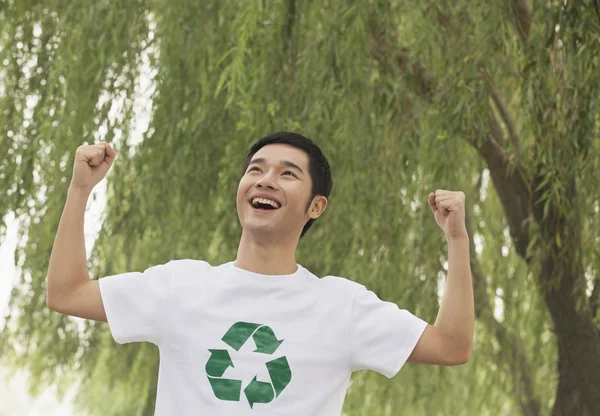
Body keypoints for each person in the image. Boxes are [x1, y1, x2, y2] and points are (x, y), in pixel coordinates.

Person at [46, 132, 473, 415]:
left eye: (287, 174)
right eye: (256, 169)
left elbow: (452, 346)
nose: (265, 180)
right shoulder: (180, 287)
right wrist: (80, 189)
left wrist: (456, 241)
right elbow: (66, 293)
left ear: (315, 206)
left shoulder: (342, 306)